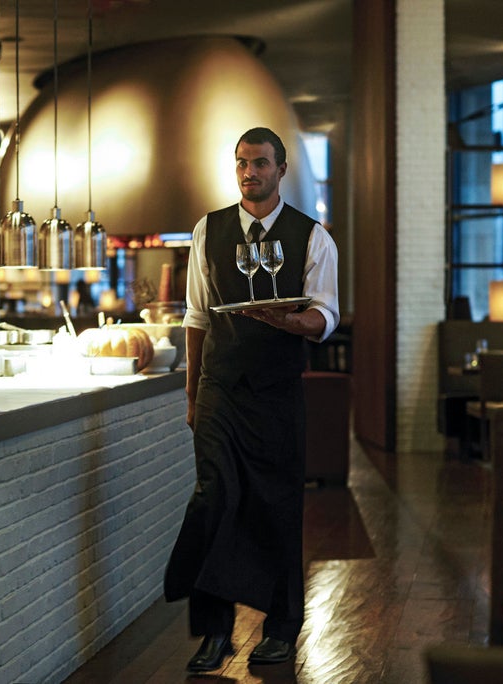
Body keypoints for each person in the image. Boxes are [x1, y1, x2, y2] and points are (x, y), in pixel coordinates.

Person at [163, 126, 339, 674]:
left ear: (280, 170)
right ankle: (214, 632)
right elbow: (195, 317)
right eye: (241, 162)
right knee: (214, 497)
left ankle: (282, 627)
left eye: (260, 163)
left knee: (278, 504)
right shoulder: (207, 231)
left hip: (277, 392)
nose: (249, 172)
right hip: (219, 390)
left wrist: (294, 321)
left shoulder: (313, 237)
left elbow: (326, 315)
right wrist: (192, 395)